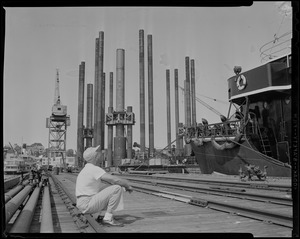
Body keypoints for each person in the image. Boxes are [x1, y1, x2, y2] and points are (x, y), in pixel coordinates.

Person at [75, 145, 133, 227]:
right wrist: (127, 185)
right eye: (98, 153)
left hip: (83, 203)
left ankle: (101, 215)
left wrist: (123, 187)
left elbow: (108, 185)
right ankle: (108, 219)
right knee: (116, 188)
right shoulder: (94, 169)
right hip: (87, 204)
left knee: (108, 187)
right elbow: (115, 180)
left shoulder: (87, 169)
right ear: (95, 157)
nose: (100, 154)